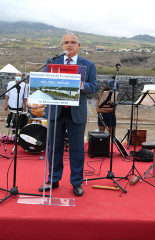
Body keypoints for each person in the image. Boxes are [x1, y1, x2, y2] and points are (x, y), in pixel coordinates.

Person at [39, 32, 98, 196]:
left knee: (77, 150)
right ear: (62, 45)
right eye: (66, 42)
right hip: (55, 112)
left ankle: (76, 183)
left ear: (78, 45)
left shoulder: (88, 65)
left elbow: (93, 87)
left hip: (76, 113)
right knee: (53, 148)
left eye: (73, 42)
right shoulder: (52, 62)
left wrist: (79, 84)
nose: (69, 45)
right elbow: (43, 82)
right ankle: (53, 180)